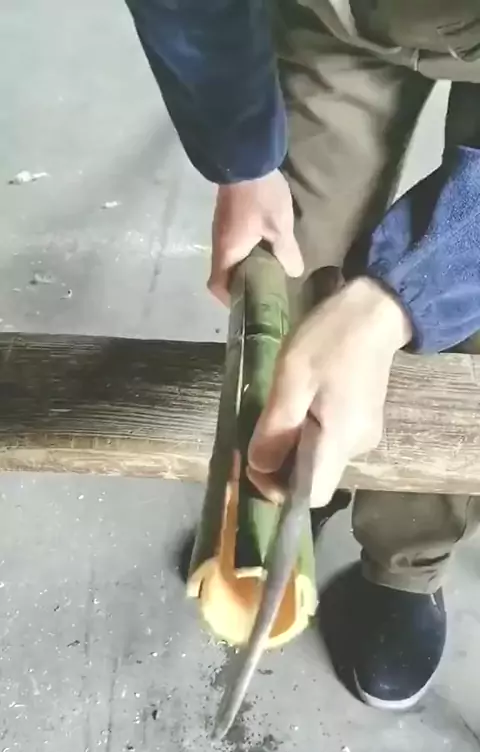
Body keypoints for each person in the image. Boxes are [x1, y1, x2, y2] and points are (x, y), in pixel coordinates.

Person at [125, 0, 480, 709]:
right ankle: (293, 486)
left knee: (458, 335)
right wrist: (242, 157)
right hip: (334, 15)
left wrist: (399, 300)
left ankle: (406, 560)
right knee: (294, 260)